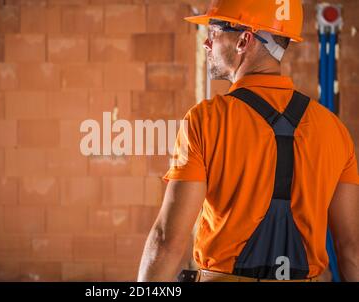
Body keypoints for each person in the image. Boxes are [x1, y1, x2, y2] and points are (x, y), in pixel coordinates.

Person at [137, 0, 359, 282]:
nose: (206, 43)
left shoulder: (206, 120)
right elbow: (351, 250)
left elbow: (167, 240)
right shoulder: (334, 130)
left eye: (214, 32)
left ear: (244, 40)